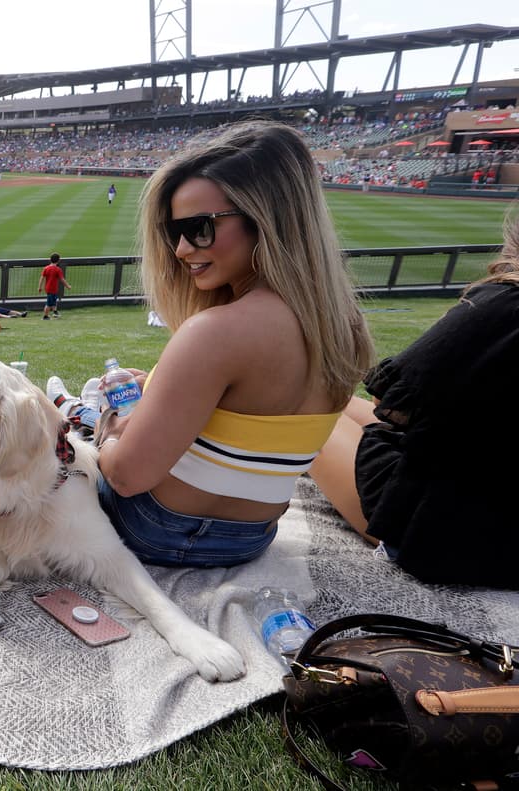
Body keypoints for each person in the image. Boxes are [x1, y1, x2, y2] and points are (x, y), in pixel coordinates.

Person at [51, 120, 374, 569]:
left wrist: (111, 428)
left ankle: (79, 411)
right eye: (174, 232)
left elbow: (125, 476)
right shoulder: (346, 327)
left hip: (156, 529)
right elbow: (252, 423)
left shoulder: (215, 332)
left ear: (265, 217)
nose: (182, 249)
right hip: (251, 539)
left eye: (199, 227)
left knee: (48, 459)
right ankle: (76, 409)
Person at [309, 214, 519, 588]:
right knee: (337, 400)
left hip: (445, 534)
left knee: (310, 408)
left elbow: (388, 400)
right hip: (495, 523)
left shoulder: (504, 305)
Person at [41, 253, 69, 320]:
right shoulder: (58, 269)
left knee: (53, 301)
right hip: (52, 289)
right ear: (58, 260)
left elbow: (42, 278)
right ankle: (45, 316)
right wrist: (67, 286)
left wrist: (39, 287)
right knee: (49, 303)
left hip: (48, 288)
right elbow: (62, 279)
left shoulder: (46, 268)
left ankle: (55, 312)